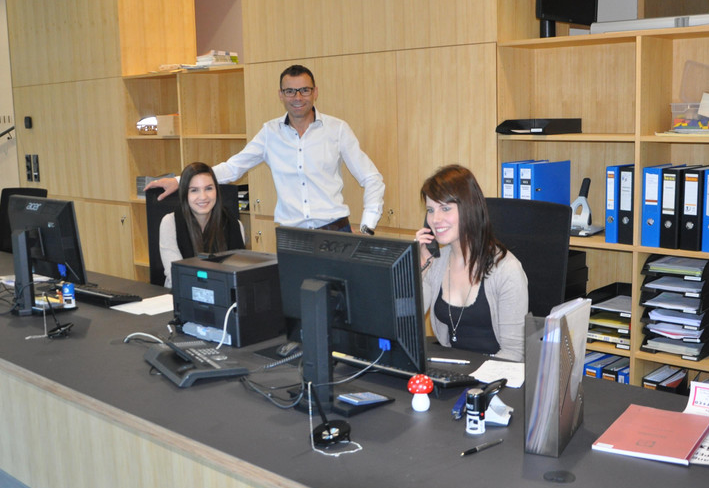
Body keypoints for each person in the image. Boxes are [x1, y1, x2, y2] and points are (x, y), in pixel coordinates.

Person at [146, 64, 384, 234]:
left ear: (315, 92)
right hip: (292, 236)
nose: (298, 97)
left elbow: (372, 178)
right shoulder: (270, 133)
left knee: (340, 294)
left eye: (305, 90)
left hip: (335, 231)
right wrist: (179, 181)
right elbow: (233, 168)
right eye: (290, 91)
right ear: (281, 95)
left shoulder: (337, 129)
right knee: (291, 294)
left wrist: (368, 225)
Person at [415, 164, 529, 361]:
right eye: (430, 210)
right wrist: (420, 268)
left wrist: (475, 379)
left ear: (469, 209)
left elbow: (514, 352)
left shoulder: (507, 270)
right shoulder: (435, 263)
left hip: (496, 373)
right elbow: (405, 323)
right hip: (453, 369)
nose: (435, 219)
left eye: (445, 208)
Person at [158, 162, 246, 288]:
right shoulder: (170, 223)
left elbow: (239, 276)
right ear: (185, 194)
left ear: (217, 191)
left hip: (223, 295)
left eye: (209, 188)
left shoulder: (234, 225)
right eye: (194, 190)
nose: (203, 197)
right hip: (181, 293)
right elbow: (176, 275)